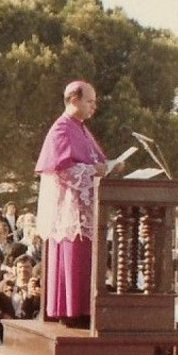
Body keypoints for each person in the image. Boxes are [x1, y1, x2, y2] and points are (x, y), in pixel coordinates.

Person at [34, 79, 112, 328]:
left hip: (85, 208)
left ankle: (85, 309)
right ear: (74, 99)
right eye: (90, 101)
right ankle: (70, 311)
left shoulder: (81, 129)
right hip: (70, 212)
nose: (94, 106)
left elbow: (92, 161)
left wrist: (107, 167)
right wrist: (96, 170)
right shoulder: (62, 128)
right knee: (73, 256)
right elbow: (63, 170)